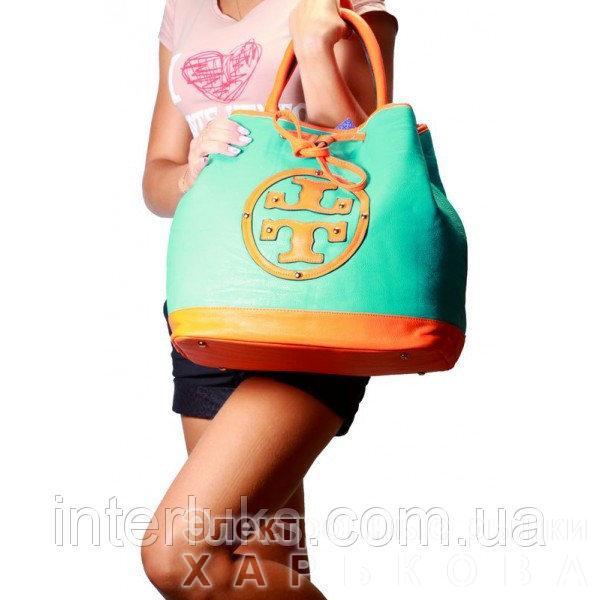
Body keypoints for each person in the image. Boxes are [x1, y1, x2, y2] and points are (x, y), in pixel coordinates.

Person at [141, 1, 397, 597]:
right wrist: (189, 171)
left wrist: (314, 48)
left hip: (313, 301)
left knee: (181, 558)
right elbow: (156, 178)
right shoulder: (183, 11)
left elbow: (366, 146)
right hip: (208, 300)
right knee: (258, 564)